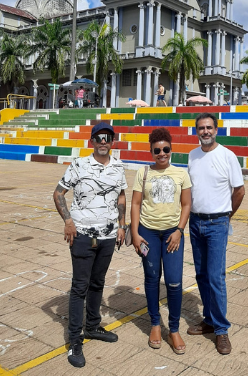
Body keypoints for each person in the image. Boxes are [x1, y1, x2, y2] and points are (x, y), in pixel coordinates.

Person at [53, 122, 128, 368]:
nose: (103, 141)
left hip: (108, 236)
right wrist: (67, 221)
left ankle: (93, 326)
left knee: (98, 283)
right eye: (98, 138)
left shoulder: (118, 166)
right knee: (79, 287)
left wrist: (121, 225)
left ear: (112, 141)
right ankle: (75, 339)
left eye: (107, 137)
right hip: (83, 234)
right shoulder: (79, 164)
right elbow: (58, 193)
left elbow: (121, 195)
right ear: (92, 141)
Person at [186, 112, 245, 355]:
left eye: (209, 127)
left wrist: (225, 216)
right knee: (201, 274)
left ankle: (221, 330)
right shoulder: (192, 155)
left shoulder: (227, 156)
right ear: (197, 131)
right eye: (201, 128)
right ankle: (209, 320)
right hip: (195, 222)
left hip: (217, 223)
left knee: (216, 277)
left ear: (216, 130)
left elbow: (239, 190)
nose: (205, 131)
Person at [130, 127, 191, 355]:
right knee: (152, 278)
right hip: (149, 234)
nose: (162, 153)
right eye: (157, 150)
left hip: (172, 235)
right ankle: (155, 324)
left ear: (171, 149)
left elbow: (186, 204)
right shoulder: (143, 173)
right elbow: (135, 204)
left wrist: (179, 230)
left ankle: (173, 329)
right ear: (151, 151)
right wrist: (135, 234)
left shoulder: (181, 174)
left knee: (174, 281)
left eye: (166, 149)